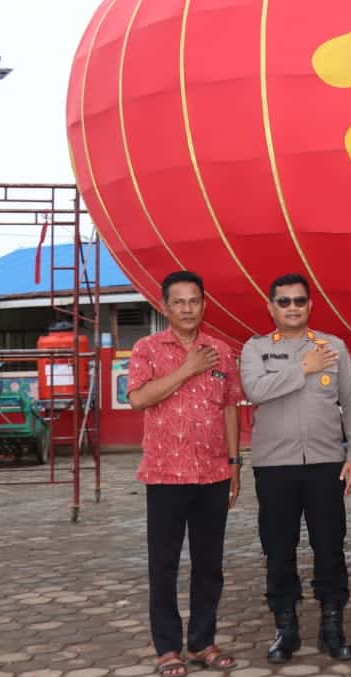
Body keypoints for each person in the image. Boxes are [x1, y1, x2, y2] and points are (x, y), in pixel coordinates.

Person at [240, 273, 351, 663]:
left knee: (330, 548)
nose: (292, 307)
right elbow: (254, 391)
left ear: (310, 305)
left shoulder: (333, 347)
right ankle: (286, 629)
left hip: (326, 464)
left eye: (299, 301)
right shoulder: (256, 349)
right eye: (284, 302)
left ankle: (333, 626)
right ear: (271, 307)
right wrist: (304, 369)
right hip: (274, 467)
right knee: (279, 550)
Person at [128, 270, 242, 677]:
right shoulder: (147, 349)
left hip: (213, 474)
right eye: (179, 302)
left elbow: (229, 406)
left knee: (209, 564)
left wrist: (234, 463)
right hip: (165, 476)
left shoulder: (222, 350)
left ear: (204, 304)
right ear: (165, 306)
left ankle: (202, 642)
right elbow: (139, 398)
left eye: (194, 300)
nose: (188, 308)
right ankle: (167, 648)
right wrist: (186, 369)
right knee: (164, 564)